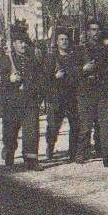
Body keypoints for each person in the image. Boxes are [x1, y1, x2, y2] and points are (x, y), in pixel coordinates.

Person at [73, 20, 108, 167]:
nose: (95, 32)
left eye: (98, 29)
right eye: (92, 29)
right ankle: (81, 152)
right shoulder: (79, 50)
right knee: (85, 125)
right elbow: (72, 72)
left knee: (106, 125)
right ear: (87, 32)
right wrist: (83, 69)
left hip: (104, 91)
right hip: (86, 92)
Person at [0, 29, 42, 170]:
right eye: (20, 42)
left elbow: (39, 79)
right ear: (14, 44)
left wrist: (37, 93)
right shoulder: (5, 59)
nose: (23, 45)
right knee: (10, 131)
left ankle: (31, 159)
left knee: (32, 130)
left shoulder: (32, 60)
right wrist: (9, 79)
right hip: (12, 102)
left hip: (29, 101)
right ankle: (9, 151)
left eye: (25, 43)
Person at [43, 30, 80, 162]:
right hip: (56, 97)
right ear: (57, 42)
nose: (64, 42)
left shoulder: (73, 57)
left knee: (75, 125)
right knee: (53, 126)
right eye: (61, 39)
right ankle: (50, 147)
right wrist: (55, 77)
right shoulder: (51, 58)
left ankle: (73, 152)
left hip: (71, 96)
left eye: (66, 39)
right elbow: (45, 79)